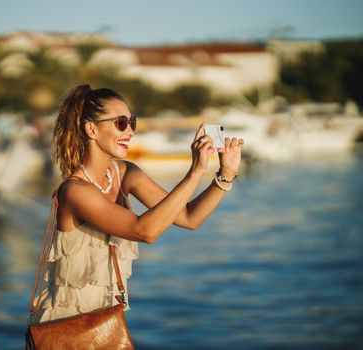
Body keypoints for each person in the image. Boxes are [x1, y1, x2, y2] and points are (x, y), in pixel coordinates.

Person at [31, 83, 244, 323]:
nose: (130, 131)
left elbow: (188, 218)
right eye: (121, 123)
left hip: (106, 323)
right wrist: (195, 172)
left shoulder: (126, 173)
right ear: (91, 129)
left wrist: (225, 174)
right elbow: (145, 231)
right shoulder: (75, 191)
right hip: (67, 326)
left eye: (131, 122)